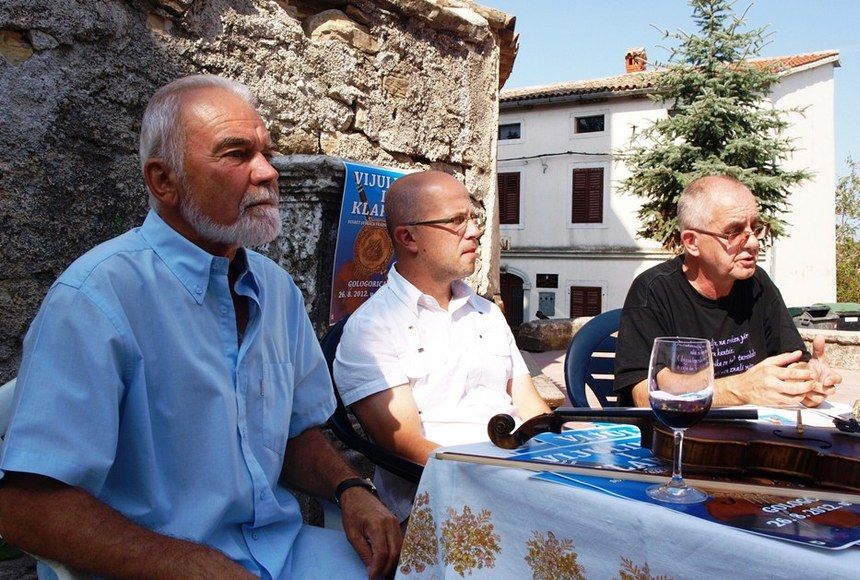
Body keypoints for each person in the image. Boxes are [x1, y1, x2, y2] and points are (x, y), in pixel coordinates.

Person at [0, 74, 401, 579]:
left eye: (266, 152)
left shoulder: (275, 290)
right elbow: (26, 507)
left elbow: (295, 433)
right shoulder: (96, 299)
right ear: (163, 181)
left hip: (279, 551)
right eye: (236, 154)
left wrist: (351, 489)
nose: (267, 172)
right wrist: (193, 567)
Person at [333, 170, 551, 520]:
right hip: (440, 504)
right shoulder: (372, 330)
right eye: (456, 220)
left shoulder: (487, 314)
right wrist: (505, 478)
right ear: (408, 238)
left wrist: (564, 459)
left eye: (474, 218)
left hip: (524, 481)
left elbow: (533, 408)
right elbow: (404, 445)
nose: (476, 231)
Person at [614, 175, 841, 408]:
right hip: (676, 437)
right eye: (733, 232)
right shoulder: (654, 290)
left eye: (755, 228)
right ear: (692, 242)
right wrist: (737, 390)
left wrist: (807, 379)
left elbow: (791, 359)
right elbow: (642, 394)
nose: (753, 243)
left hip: (747, 437)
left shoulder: (758, 284)